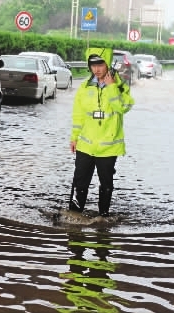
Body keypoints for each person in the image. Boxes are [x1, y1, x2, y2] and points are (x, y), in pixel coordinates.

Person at [69, 47, 134, 217]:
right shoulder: (84, 87)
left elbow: (123, 107)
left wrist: (112, 87)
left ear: (107, 63)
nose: (96, 69)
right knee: (79, 182)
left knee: (106, 184)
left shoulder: (120, 86)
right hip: (86, 145)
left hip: (108, 147)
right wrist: (74, 138)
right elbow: (78, 115)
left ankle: (103, 218)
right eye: (92, 65)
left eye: (100, 64)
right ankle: (74, 215)